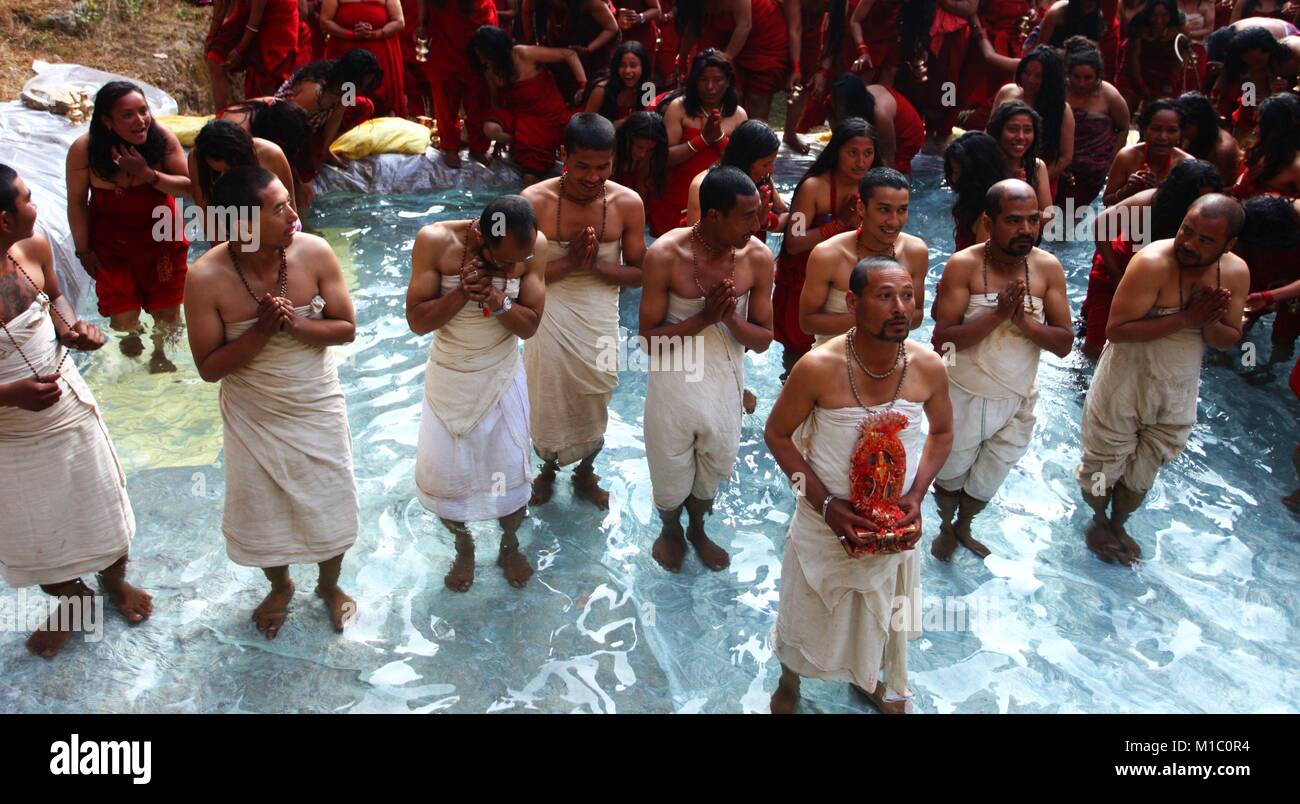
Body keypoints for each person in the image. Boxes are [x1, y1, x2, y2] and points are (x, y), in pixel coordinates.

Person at [765, 256, 953, 715]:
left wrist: (914, 495)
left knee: (884, 610)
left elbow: (943, 432)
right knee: (807, 606)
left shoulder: (928, 366)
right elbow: (777, 435)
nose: (900, 308)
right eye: (884, 296)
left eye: (907, 295)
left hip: (892, 525)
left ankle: (871, 677)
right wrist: (827, 506)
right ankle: (790, 680)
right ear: (852, 302)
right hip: (824, 520)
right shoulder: (818, 367)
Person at [184, 166, 360, 637]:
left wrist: (296, 326)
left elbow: (346, 328)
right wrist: (262, 331)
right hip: (253, 414)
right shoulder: (206, 278)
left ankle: (329, 585)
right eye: (278, 208)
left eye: (288, 202)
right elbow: (208, 367)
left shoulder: (314, 252)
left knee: (330, 501)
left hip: (315, 402)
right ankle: (280, 586)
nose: (292, 215)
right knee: (263, 508)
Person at [0, 165, 152, 659]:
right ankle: (73, 598)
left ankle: (113, 583)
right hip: (9, 432)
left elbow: (55, 298)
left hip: (67, 406)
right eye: (26, 199)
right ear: (3, 219)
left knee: (100, 505)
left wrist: (73, 329)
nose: (35, 205)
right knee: (33, 532)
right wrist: (10, 395)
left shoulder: (33, 247)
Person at [1077, 193, 1249, 564]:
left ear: (1228, 245)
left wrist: (1208, 320)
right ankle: (1096, 519)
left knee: (1144, 471)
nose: (1189, 244)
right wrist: (1187, 318)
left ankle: (1119, 521)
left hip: (1176, 390)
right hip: (1123, 383)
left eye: (1206, 241)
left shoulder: (1235, 273)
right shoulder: (1151, 263)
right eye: (1187, 231)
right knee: (1101, 467)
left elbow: (1228, 339)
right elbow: (1117, 330)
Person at [407, 195, 547, 591]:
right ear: (480, 237)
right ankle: (463, 545)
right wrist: (461, 294)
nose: (511, 267)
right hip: (450, 374)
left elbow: (530, 326)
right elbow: (417, 322)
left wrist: (498, 300)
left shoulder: (535, 246)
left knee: (512, 474)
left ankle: (509, 543)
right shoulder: (435, 241)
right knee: (446, 477)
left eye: (517, 262)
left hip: (502, 374)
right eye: (502, 261)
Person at [929, 179, 1073, 559]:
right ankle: (945, 525)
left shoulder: (1047, 269)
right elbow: (943, 340)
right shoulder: (964, 265)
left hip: (1018, 397)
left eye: (1032, 221)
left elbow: (1063, 344)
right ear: (989, 224)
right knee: (949, 473)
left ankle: (964, 526)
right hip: (963, 393)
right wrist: (997, 314)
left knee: (991, 476)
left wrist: (1024, 323)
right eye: (1013, 221)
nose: (1026, 230)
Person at [640, 166, 773, 572]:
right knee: (669, 464)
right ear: (714, 216)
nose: (758, 223)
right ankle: (670, 528)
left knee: (716, 460)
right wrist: (704, 318)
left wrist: (729, 319)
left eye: (759, 213)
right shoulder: (665, 254)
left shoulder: (758, 257)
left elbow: (765, 339)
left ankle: (697, 527)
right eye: (747, 215)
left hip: (723, 383)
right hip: (675, 384)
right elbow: (648, 339)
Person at [521, 114, 646, 508]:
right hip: (548, 311)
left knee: (596, 393)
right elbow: (518, 275)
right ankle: (544, 470)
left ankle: (585, 471)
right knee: (546, 396)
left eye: (602, 167)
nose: (593, 177)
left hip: (598, 313)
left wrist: (594, 266)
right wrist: (570, 263)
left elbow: (639, 273)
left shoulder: (627, 203)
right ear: (563, 156)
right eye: (583, 167)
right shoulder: (534, 201)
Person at [66, 82, 192, 375]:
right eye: (128, 115)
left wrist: (147, 174)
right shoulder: (84, 150)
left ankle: (161, 354)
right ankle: (133, 349)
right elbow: (76, 204)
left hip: (163, 241)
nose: (141, 120)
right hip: (112, 246)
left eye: (144, 111)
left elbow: (188, 188)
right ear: (107, 122)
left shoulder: (162, 139)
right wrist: (83, 250)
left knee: (168, 315)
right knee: (123, 322)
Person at [1082, 158, 1222, 358]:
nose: (1203, 207)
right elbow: (1100, 226)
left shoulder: (1211, 216)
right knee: (1097, 343)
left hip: (1161, 275)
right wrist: (1116, 275)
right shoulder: (1149, 201)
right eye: (1197, 199)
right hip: (1119, 265)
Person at [772, 118, 878, 378]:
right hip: (804, 289)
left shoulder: (875, 188)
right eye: (852, 153)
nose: (861, 162)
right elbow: (794, 242)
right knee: (800, 368)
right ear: (836, 151)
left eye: (868, 154)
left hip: (850, 289)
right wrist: (840, 223)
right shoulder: (813, 188)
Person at [800, 167, 930, 353]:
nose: (894, 221)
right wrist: (875, 317)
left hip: (890, 361)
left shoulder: (915, 251)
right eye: (884, 209)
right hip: (834, 364)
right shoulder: (828, 254)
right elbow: (808, 322)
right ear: (861, 207)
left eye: (902, 210)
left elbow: (917, 315)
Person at [649, 50, 748, 235]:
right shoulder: (678, 108)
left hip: (720, 200)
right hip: (677, 197)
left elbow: (744, 164)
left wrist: (718, 138)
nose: (710, 87)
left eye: (717, 80)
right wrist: (702, 140)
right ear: (694, 81)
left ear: (728, 82)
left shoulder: (738, 114)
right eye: (703, 80)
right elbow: (663, 158)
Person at [471, 24, 584, 185]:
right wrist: (500, 139)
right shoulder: (490, 70)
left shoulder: (523, 53)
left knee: (530, 180)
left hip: (549, 116)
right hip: (521, 117)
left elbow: (570, 54)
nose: (482, 60)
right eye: (480, 56)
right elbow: (496, 103)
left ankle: (531, 147)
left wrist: (582, 86)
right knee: (490, 127)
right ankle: (523, 143)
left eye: (485, 55)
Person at [676, 0, 791, 120]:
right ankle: (720, 131)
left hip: (762, 31)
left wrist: (725, 59)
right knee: (710, 78)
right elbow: (692, 28)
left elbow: (744, 25)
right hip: (721, 30)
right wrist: (682, 61)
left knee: (757, 96)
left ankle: (755, 134)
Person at [418, 0, 499, 167]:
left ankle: (479, 147)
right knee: (445, 99)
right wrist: (422, 23)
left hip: (475, 44)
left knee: (478, 99)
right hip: (444, 39)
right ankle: (449, 147)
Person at [991, 45, 1076, 189]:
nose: (1030, 79)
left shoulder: (1061, 110)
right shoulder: (1006, 93)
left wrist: (1037, 180)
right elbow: (989, 134)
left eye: (1038, 76)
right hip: (999, 168)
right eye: (1026, 72)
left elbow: (1065, 157)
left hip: (1038, 176)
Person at [1060, 36, 1130, 207]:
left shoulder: (1109, 95)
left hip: (1095, 173)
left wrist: (1112, 163)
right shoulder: (1059, 92)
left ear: (1097, 76)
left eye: (1088, 77)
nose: (1082, 83)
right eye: (1076, 77)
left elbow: (1123, 127)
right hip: (1061, 169)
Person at [1236, 195, 1300, 379]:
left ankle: (1270, 367)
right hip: (1263, 261)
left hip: (1294, 266)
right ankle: (1230, 350)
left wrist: (1273, 295)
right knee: (1245, 309)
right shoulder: (1254, 215)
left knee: (1286, 329)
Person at [685, 120, 786, 235]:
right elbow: (698, 241)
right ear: (746, 160)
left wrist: (766, 222)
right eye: (765, 164)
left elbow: (787, 215)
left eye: (772, 162)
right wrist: (754, 221)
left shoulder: (762, 178)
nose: (771, 169)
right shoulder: (703, 185)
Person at [206, 0, 306, 111]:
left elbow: (253, 23)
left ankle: (275, 117)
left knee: (266, 75)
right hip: (247, 13)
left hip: (276, 21)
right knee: (214, 58)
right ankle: (220, 117)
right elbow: (221, 6)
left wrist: (240, 51)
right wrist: (211, 36)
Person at [189, 120, 298, 216]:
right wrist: (220, 240)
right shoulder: (197, 158)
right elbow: (206, 210)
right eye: (224, 171)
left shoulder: (271, 154)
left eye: (233, 166)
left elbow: (290, 206)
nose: (230, 174)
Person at [321, 0, 408, 116]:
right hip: (344, 54)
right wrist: (350, 34)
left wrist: (376, 33)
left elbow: (399, 21)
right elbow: (325, 20)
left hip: (379, 54)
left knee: (380, 98)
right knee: (346, 97)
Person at [1102, 98, 1191, 204]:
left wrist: (1159, 192)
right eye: (1156, 129)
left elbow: (1188, 209)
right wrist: (1126, 191)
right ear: (1144, 129)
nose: (1163, 137)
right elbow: (1107, 201)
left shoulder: (1187, 164)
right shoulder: (1127, 156)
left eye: (1172, 130)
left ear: (1180, 134)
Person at [986, 101, 1055, 226]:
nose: (1021, 137)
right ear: (998, 131)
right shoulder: (984, 164)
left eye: (1028, 130)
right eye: (1013, 129)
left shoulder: (1037, 167)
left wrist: (1023, 197)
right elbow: (979, 215)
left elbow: (1048, 217)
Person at [946, 131, 1010, 251]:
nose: (954, 179)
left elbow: (982, 266)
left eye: (958, 173)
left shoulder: (987, 216)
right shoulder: (972, 204)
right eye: (953, 172)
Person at [1119, 0, 1188, 112]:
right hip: (1136, 71)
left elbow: (1180, 59)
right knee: (1126, 102)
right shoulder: (1139, 26)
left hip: (1165, 73)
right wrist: (1141, 87)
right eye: (1154, 15)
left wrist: (1170, 82)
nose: (1158, 20)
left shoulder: (1179, 27)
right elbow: (1133, 61)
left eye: (1164, 15)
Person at [1231, 92, 1300, 198]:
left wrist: (1281, 201)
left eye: (1260, 125)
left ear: (1277, 130)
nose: (1255, 130)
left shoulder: (1297, 166)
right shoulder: (1261, 151)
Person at [1174, 90, 1241, 186]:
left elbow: (1217, 189)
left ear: (1200, 123)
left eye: (1183, 126)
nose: (1179, 130)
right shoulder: (1193, 133)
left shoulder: (1222, 151)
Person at [585, 41, 656, 125]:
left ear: (643, 67)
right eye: (622, 65)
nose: (627, 71)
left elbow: (649, 124)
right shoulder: (601, 91)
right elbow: (586, 128)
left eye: (633, 66)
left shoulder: (649, 88)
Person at [612, 110, 669, 209]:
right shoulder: (610, 143)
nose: (642, 154)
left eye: (649, 149)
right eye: (639, 147)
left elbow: (642, 187)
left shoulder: (651, 154)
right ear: (628, 137)